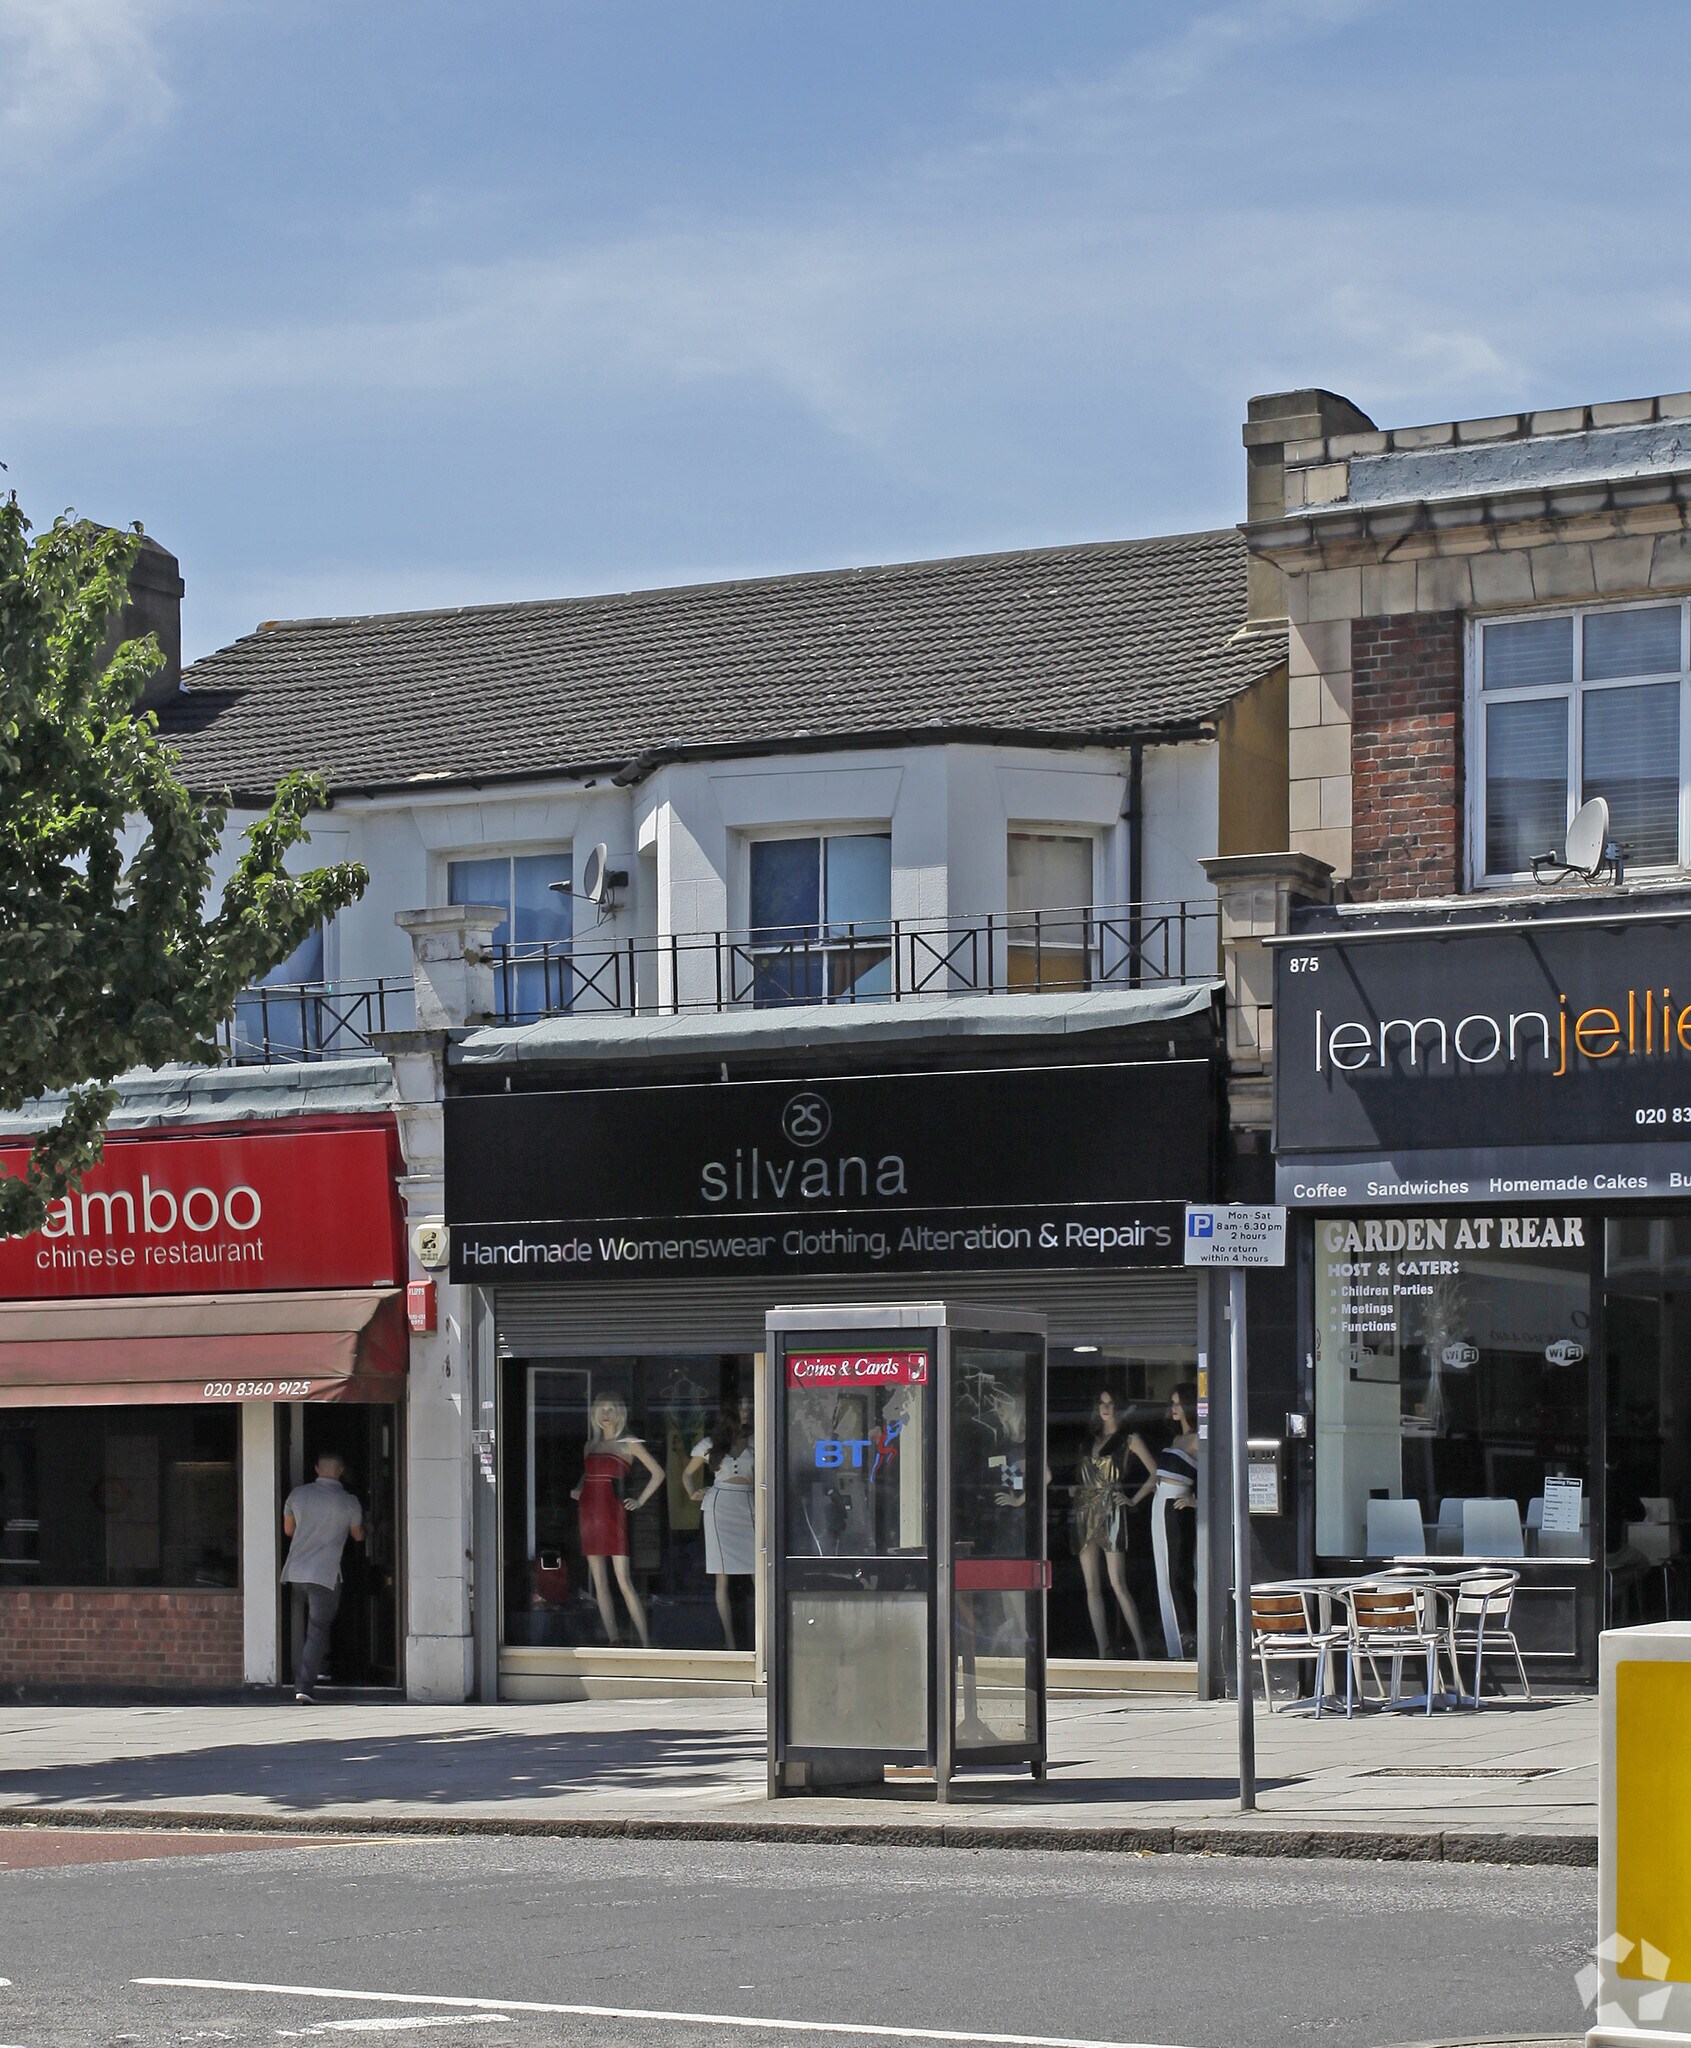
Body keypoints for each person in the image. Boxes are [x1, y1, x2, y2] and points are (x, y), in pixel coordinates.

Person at [572, 1393, 665, 1647]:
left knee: (623, 1580)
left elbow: (658, 1473)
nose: (605, 1414)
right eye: (601, 1409)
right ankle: (614, 1639)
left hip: (613, 1512)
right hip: (589, 1513)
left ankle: (646, 1643)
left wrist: (640, 1501)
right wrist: (578, 1489)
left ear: (619, 1413)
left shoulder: (629, 1442)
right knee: (599, 1581)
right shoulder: (590, 1445)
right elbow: (588, 1474)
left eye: (611, 1409)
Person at [1071, 1389, 1151, 1660]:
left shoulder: (1129, 1440)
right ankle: (1104, 1652)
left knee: (1118, 1582)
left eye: (1110, 1403)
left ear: (1118, 1407)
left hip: (1110, 1511)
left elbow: (1156, 1474)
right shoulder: (1090, 1440)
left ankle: (1142, 1651)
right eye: (1101, 1403)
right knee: (1091, 1586)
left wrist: (1132, 1499)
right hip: (1084, 1511)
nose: (1105, 1408)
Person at [281, 1453, 364, 1702]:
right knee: (317, 1628)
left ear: (316, 1469)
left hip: (295, 1573)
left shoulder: (298, 1495)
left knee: (306, 1625)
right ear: (340, 1471)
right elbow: (358, 1536)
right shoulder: (349, 1502)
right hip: (324, 1576)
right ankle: (304, 1686)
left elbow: (288, 1530)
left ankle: (316, 1668)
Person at [683, 1395, 755, 1648]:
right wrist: (693, 1493)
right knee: (721, 1577)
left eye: (749, 1406)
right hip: (718, 1506)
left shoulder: (759, 1440)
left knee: (758, 1573)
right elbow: (687, 1474)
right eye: (741, 1406)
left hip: (749, 1506)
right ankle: (730, 1640)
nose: (745, 1411)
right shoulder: (710, 1444)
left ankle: (763, 1636)